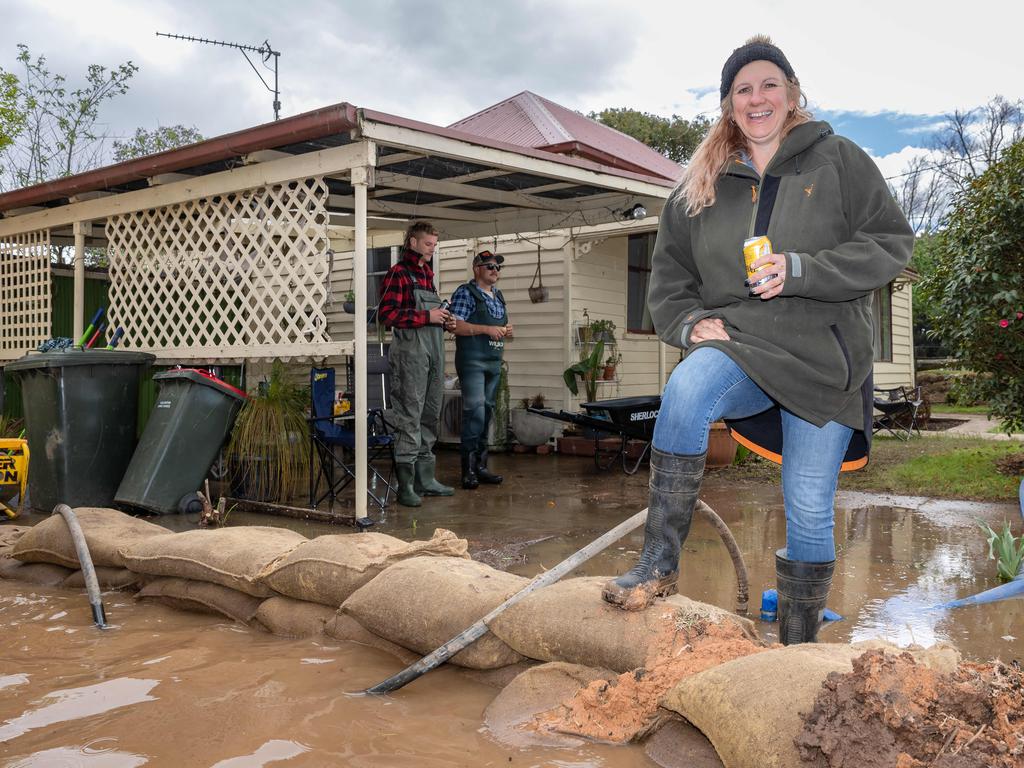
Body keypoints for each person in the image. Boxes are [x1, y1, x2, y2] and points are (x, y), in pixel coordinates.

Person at [601, 35, 913, 646]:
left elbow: (889, 244)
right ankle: (659, 564)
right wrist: (689, 323)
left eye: (770, 84)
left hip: (825, 359)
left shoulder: (839, 160)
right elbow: (669, 279)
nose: (757, 97)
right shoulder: (700, 185)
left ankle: (796, 651)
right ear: (728, 105)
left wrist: (801, 269)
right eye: (743, 89)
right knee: (687, 385)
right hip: (741, 345)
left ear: (793, 93)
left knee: (809, 511)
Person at [378, 221, 456, 507]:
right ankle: (406, 485)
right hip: (410, 355)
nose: (431, 249)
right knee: (410, 414)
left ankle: (426, 479)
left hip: (433, 353)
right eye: (427, 244)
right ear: (412, 242)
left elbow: (431, 315)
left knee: (430, 412)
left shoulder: (426, 275)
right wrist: (427, 317)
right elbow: (387, 314)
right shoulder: (398, 274)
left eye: (434, 245)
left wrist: (446, 320)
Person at [449, 250, 514, 489]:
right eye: (489, 266)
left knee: (486, 413)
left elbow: (500, 327)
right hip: (472, 362)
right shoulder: (466, 293)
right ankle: (467, 471)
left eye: (498, 267)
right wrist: (487, 329)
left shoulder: (498, 297)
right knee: (474, 412)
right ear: (477, 269)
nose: (495, 270)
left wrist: (507, 330)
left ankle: (481, 467)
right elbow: (455, 325)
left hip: (493, 363)